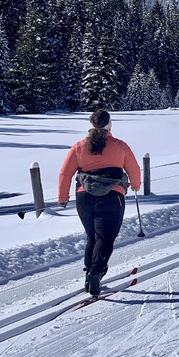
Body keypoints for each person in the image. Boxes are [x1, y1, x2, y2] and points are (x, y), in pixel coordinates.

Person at [58, 109, 141, 296]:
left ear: (91, 124)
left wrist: (63, 198)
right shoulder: (120, 146)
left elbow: (65, 173)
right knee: (105, 238)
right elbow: (134, 169)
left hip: (84, 197)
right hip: (112, 197)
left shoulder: (79, 147)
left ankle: (90, 272)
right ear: (109, 124)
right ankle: (96, 271)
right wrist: (135, 185)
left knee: (92, 237)